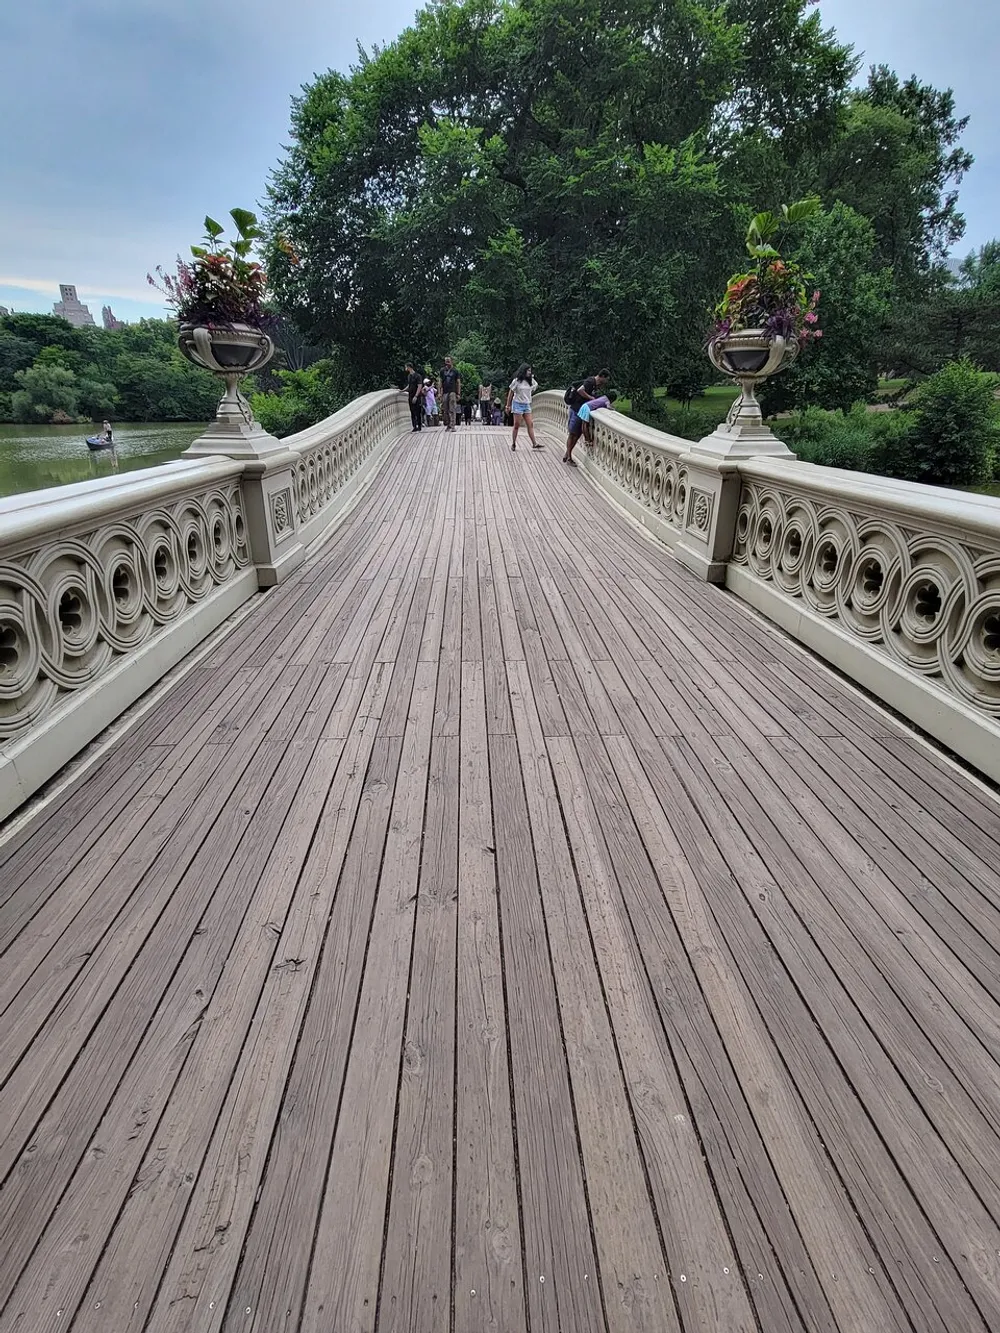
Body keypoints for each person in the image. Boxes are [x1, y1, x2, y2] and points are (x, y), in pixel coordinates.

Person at [564, 369, 610, 465]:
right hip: (576, 409)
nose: (607, 382)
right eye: (607, 379)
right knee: (573, 434)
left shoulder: (595, 384)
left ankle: (567, 454)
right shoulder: (590, 382)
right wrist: (591, 398)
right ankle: (568, 458)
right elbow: (580, 390)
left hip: (580, 410)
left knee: (576, 435)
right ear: (602, 376)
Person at [505, 363, 540, 452]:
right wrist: (508, 405)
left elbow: (535, 386)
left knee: (530, 424)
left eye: (530, 370)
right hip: (517, 404)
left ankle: (534, 443)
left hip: (527, 404)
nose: (529, 372)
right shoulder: (516, 381)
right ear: (523, 371)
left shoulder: (531, 381)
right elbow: (511, 393)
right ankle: (513, 443)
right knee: (517, 425)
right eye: (528, 370)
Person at [440, 356, 461, 431]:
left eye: (448, 360)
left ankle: (452, 425)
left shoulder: (455, 371)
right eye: (446, 360)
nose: (447, 361)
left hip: (452, 391)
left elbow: (458, 382)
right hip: (445, 391)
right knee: (445, 409)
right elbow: (440, 382)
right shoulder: (442, 370)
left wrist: (458, 393)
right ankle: (448, 424)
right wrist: (440, 393)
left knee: (452, 408)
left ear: (452, 361)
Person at [404, 364, 423, 431]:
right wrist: (403, 390)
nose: (405, 368)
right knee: (412, 411)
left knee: (418, 411)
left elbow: (419, 386)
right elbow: (409, 385)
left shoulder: (418, 376)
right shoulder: (409, 376)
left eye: (406, 367)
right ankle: (414, 426)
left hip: (416, 396)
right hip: (410, 395)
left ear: (409, 367)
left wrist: (416, 396)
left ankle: (419, 426)